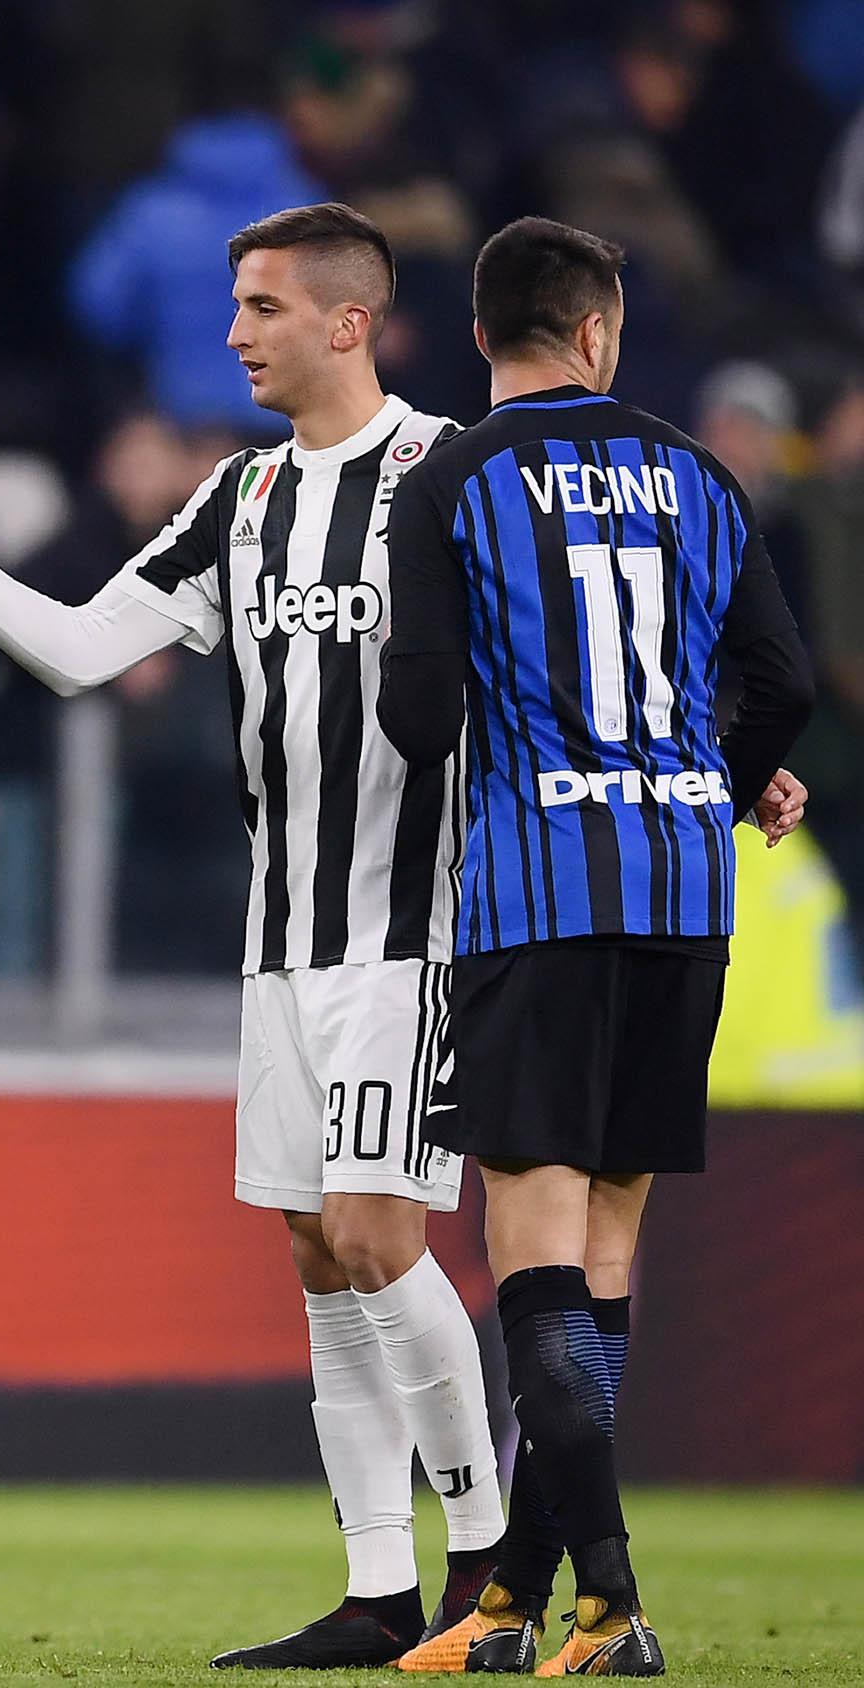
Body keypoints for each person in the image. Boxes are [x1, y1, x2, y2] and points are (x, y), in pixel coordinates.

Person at [0, 203, 510, 1669]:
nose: (233, 335)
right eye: (235, 306)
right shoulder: (243, 498)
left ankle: (492, 1571)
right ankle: (375, 1591)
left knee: (376, 1234)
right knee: (316, 1254)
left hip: (412, 936)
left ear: (349, 321)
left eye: (263, 307)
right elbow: (83, 648)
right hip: (279, 941)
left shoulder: (452, 477)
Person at [382, 217, 813, 1678]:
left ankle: (611, 1603)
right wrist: (717, 766)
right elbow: (785, 680)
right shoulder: (701, 473)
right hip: (685, 899)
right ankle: (509, 1604)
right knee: (606, 1248)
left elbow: (422, 715)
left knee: (531, 1252)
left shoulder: (450, 480)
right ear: (601, 332)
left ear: (488, 334)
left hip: (537, 900)